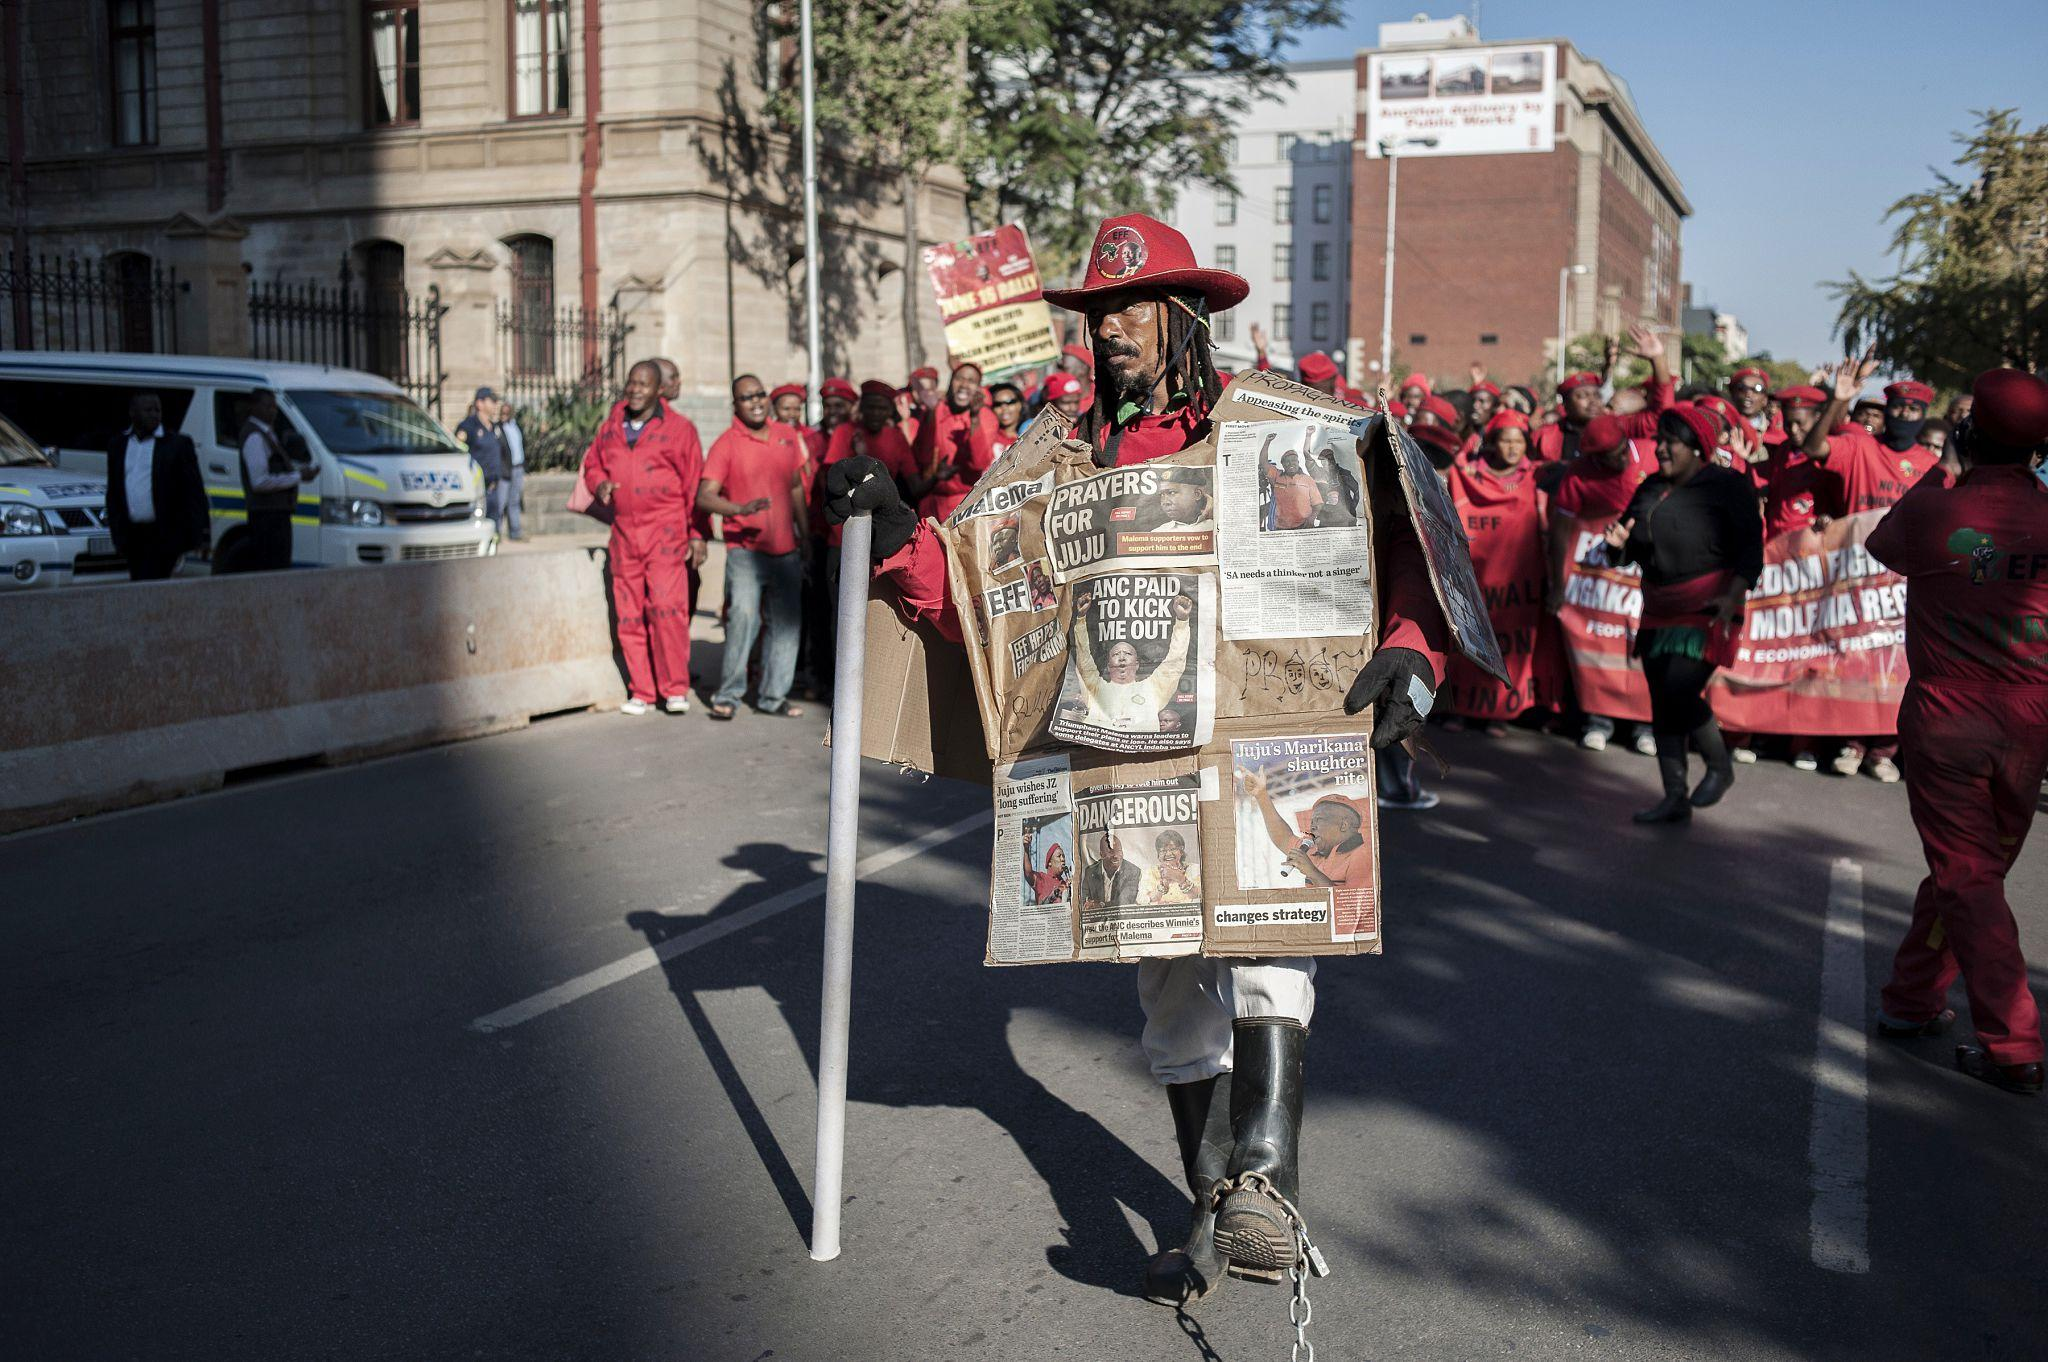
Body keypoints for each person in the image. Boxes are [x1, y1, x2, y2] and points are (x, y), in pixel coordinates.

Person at [823, 211, 1455, 1302]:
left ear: (1182, 318)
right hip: (1118, 756)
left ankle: (1264, 1180)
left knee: (1270, 949)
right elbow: (973, 596)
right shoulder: (1053, 456)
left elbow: (1403, 534)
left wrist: (1410, 651)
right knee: (1166, 986)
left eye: (1128, 308)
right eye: (1094, 311)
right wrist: (888, 533)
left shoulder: (1287, 428)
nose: (1107, 329)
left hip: (1264, 734)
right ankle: (1213, 1216)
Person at [1868, 367, 2048, 1095]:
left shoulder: (1932, 512)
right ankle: (1911, 999)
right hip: (2031, 720)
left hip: (1948, 722)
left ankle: (2013, 1043)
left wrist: (1944, 475)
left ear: (1968, 433)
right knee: (1970, 871)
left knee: (1967, 876)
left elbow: (1881, 547)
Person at [1599, 403, 1763, 822]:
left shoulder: (1728, 486)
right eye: (1659, 441)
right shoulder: (1650, 487)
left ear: (1697, 447)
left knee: (1679, 689)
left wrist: (1734, 596)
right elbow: (1628, 548)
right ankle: (1674, 796)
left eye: (1671, 442)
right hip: (1658, 609)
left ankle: (1719, 765)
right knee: (1662, 703)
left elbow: (1751, 549)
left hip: (1708, 607)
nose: (1661, 449)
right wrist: (1617, 545)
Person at [1798, 357, 1939, 781]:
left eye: (1913, 412)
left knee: (1897, 666)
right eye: (1897, 409)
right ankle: (1850, 743)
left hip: (1904, 586)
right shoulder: (1860, 446)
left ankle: (1882, 750)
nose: (1904, 417)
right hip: (1854, 580)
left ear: (1922, 417)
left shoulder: (1932, 469)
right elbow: (1813, 448)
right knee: (1853, 661)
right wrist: (1839, 400)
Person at [583, 360, 708, 716]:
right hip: (624, 534)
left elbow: (694, 484)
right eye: (631, 383)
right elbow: (592, 464)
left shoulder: (680, 429)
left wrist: (696, 532)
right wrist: (599, 483)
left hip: (665, 531)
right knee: (629, 613)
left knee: (668, 610)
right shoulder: (611, 427)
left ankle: (673, 688)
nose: (635, 389)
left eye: (644, 384)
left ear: (659, 390)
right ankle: (641, 690)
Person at [700, 374, 810, 721]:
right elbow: (705, 496)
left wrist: (804, 536)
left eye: (760, 394)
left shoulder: (786, 436)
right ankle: (729, 695)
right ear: (736, 405)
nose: (757, 401)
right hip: (745, 552)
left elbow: (795, 488)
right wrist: (737, 509)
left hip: (786, 550)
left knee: (786, 626)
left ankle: (773, 696)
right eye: (747, 398)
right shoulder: (726, 444)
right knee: (743, 619)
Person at [1548, 413, 1659, 754]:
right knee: (1598, 640)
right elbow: (1560, 532)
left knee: (1642, 643)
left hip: (1647, 566)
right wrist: (1558, 584)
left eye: (1622, 450)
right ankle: (1598, 722)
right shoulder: (1578, 475)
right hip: (1598, 573)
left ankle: (1645, 725)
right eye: (1610, 456)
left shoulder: (1652, 453)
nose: (1620, 459)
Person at [1447, 408, 1553, 734]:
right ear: (1493, 443)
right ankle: (1462, 708)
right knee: (1470, 640)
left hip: (1518, 583)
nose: (1511, 448)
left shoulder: (1537, 476)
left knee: (1509, 645)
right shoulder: (1468, 475)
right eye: (1504, 440)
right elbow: (1458, 459)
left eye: (1518, 442)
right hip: (1477, 578)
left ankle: (1496, 711)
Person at [104, 391, 208, 581]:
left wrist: (199, 534)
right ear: (133, 413)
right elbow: (114, 492)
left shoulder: (177, 444)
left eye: (157, 410)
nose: (154, 415)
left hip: (164, 533)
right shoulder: (118, 445)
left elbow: (194, 491)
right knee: (138, 581)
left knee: (156, 582)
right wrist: (117, 532)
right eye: (148, 410)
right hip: (132, 534)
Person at [1535, 325, 1673, 462]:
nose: (1593, 400)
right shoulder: (1546, 435)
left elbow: (1659, 415)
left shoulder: (1619, 425)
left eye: (1596, 395)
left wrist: (1657, 359)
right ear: (1565, 404)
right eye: (1583, 396)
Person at [1071, 586, 1194, 731]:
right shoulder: (1097, 688)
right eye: (1116, 654)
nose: (1122, 658)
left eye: (1128, 654)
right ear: (1109, 666)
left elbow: (1175, 661)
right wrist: (1080, 619)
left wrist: (1182, 621)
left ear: (1137, 665)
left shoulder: (1153, 688)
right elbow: (1084, 658)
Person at [223, 388, 317, 573]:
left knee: (279, 566)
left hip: (277, 513)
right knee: (270, 567)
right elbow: (259, 481)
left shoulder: (266, 432)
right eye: (267, 406)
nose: (272, 411)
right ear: (254, 407)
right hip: (267, 516)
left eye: (274, 407)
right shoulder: (255, 436)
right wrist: (298, 477)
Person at [1242, 774, 1372, 891]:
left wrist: (1312, 872)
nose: (1312, 826)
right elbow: (1283, 838)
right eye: (1312, 821)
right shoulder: (1313, 850)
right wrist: (1261, 795)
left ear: (1344, 825)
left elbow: (1351, 907)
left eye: (1319, 820)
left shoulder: (1363, 855)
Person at [912, 360, 998, 520]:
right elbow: (922, 456)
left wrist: (974, 420)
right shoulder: (936, 409)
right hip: (930, 503)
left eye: (971, 381)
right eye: (959, 378)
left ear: (979, 388)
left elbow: (980, 463)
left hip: (964, 503)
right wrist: (930, 414)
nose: (964, 384)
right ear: (951, 382)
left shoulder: (985, 416)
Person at [455, 387, 509, 535]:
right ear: (480, 403)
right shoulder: (468, 426)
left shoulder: (494, 427)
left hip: (493, 487)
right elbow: (459, 451)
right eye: (491, 401)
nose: (495, 405)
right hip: (478, 489)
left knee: (494, 527)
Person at [1260, 445, 1324, 529]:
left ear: (1298, 462)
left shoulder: (1308, 479)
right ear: (1282, 464)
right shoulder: (1277, 476)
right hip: (1280, 527)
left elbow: (1318, 504)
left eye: (1294, 460)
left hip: (1303, 525)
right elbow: (1263, 462)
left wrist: (1311, 520)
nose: (1291, 463)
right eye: (1287, 461)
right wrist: (1267, 442)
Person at [1139, 829, 1202, 904]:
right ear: (1158, 854)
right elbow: (1141, 900)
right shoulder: (1149, 872)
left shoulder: (1195, 869)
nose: (1168, 854)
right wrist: (1162, 888)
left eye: (1173, 849)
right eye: (1163, 850)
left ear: (1181, 851)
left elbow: (1201, 895)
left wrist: (1181, 879)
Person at [1079, 833, 1140, 910]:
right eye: (1111, 852)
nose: (1116, 856)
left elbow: (1126, 900)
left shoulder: (1133, 871)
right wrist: (1088, 904)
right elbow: (1083, 898)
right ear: (1102, 854)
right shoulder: (1090, 872)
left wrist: (1101, 905)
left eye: (1119, 851)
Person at [500, 398, 527, 540]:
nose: (504, 415)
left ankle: (515, 532)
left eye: (507, 412)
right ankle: (496, 533)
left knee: (514, 501)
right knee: (501, 502)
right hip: (505, 469)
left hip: (518, 467)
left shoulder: (516, 426)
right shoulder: (498, 428)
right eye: (502, 412)